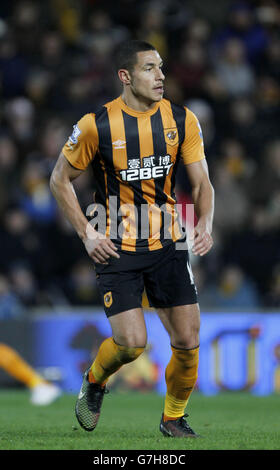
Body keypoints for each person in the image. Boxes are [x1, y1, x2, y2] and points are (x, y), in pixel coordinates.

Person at [50, 40, 214, 438]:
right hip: (116, 241)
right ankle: (94, 379)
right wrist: (87, 234)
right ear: (125, 76)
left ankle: (173, 418)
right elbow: (59, 179)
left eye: (161, 67)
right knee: (131, 344)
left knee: (188, 340)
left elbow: (202, 181)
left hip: (169, 241)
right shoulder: (96, 124)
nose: (160, 76)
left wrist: (204, 222)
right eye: (149, 69)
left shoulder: (182, 119)